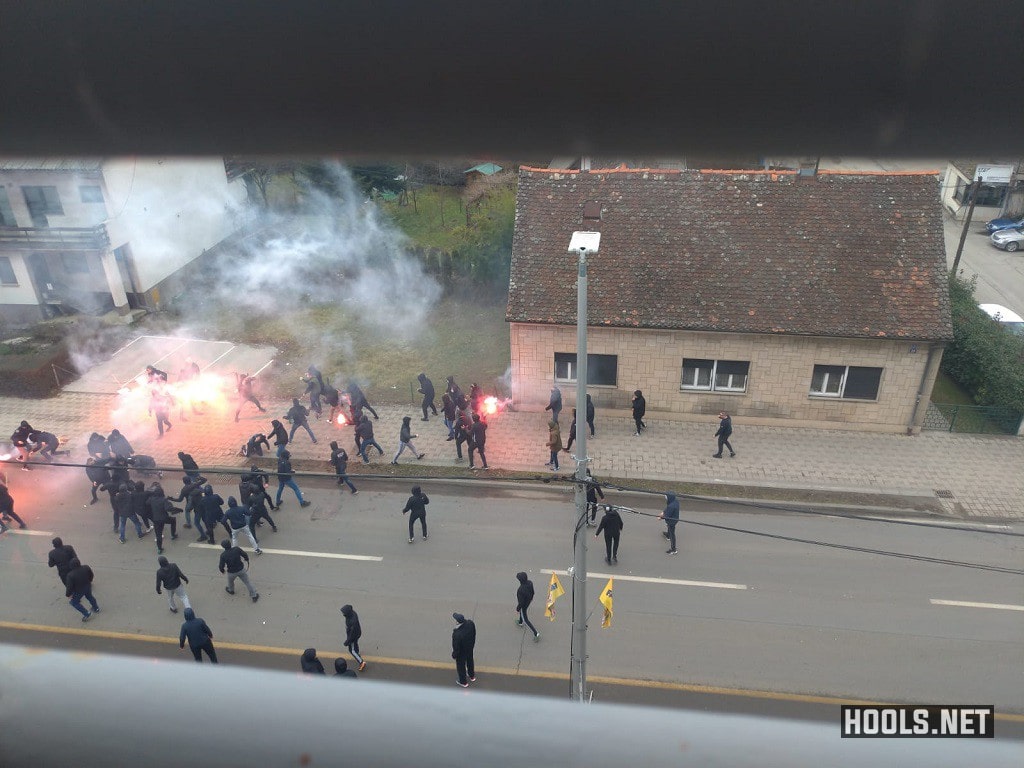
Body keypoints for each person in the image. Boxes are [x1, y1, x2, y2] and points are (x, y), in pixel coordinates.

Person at [147, 483, 179, 554]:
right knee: (173, 521)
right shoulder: (164, 500)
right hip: (164, 518)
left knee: (158, 535)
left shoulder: (151, 499)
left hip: (156, 519)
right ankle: (173, 535)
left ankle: (159, 548)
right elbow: (168, 508)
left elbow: (147, 503)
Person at [65, 557, 100, 622]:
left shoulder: (70, 575)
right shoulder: (86, 567)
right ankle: (96, 608)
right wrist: (90, 581)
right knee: (90, 596)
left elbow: (69, 587)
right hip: (87, 586)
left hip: (78, 591)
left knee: (74, 602)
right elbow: (91, 575)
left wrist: (68, 595)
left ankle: (86, 613)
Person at [451, 612, 476, 688]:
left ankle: (463, 682)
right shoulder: (470, 623)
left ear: (458, 622)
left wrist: (454, 655)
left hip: (461, 653)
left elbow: (456, 647)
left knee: (461, 666)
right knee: (470, 660)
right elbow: (474, 634)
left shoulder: (457, 634)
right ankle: (471, 675)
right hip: (470, 648)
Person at [339, 604, 367, 671]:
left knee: (352, 650)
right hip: (357, 634)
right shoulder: (352, 613)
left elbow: (352, 634)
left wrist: (347, 641)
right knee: (355, 645)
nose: (343, 614)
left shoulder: (352, 621)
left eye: (344, 612)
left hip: (353, 636)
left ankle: (361, 662)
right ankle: (357, 653)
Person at [514, 572, 540, 642]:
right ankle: (520, 622)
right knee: (522, 612)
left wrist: (517, 609)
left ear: (520, 580)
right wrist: (531, 598)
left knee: (525, 619)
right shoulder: (530, 583)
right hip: (528, 601)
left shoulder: (520, 590)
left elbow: (521, 603)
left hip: (524, 604)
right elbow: (533, 592)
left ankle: (536, 633)